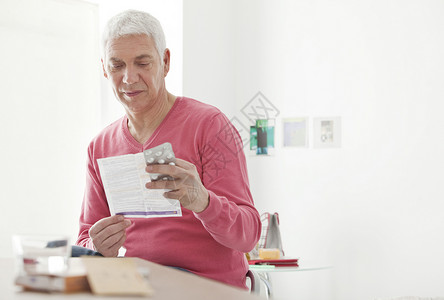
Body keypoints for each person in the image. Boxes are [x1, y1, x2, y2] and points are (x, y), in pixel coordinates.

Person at [75, 9, 261, 289]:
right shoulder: (100, 146)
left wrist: (204, 202)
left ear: (165, 61)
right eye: (117, 65)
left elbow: (248, 236)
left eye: (142, 62)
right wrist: (97, 247)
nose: (128, 78)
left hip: (206, 288)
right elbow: (85, 240)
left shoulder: (209, 126)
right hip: (135, 287)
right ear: (104, 69)